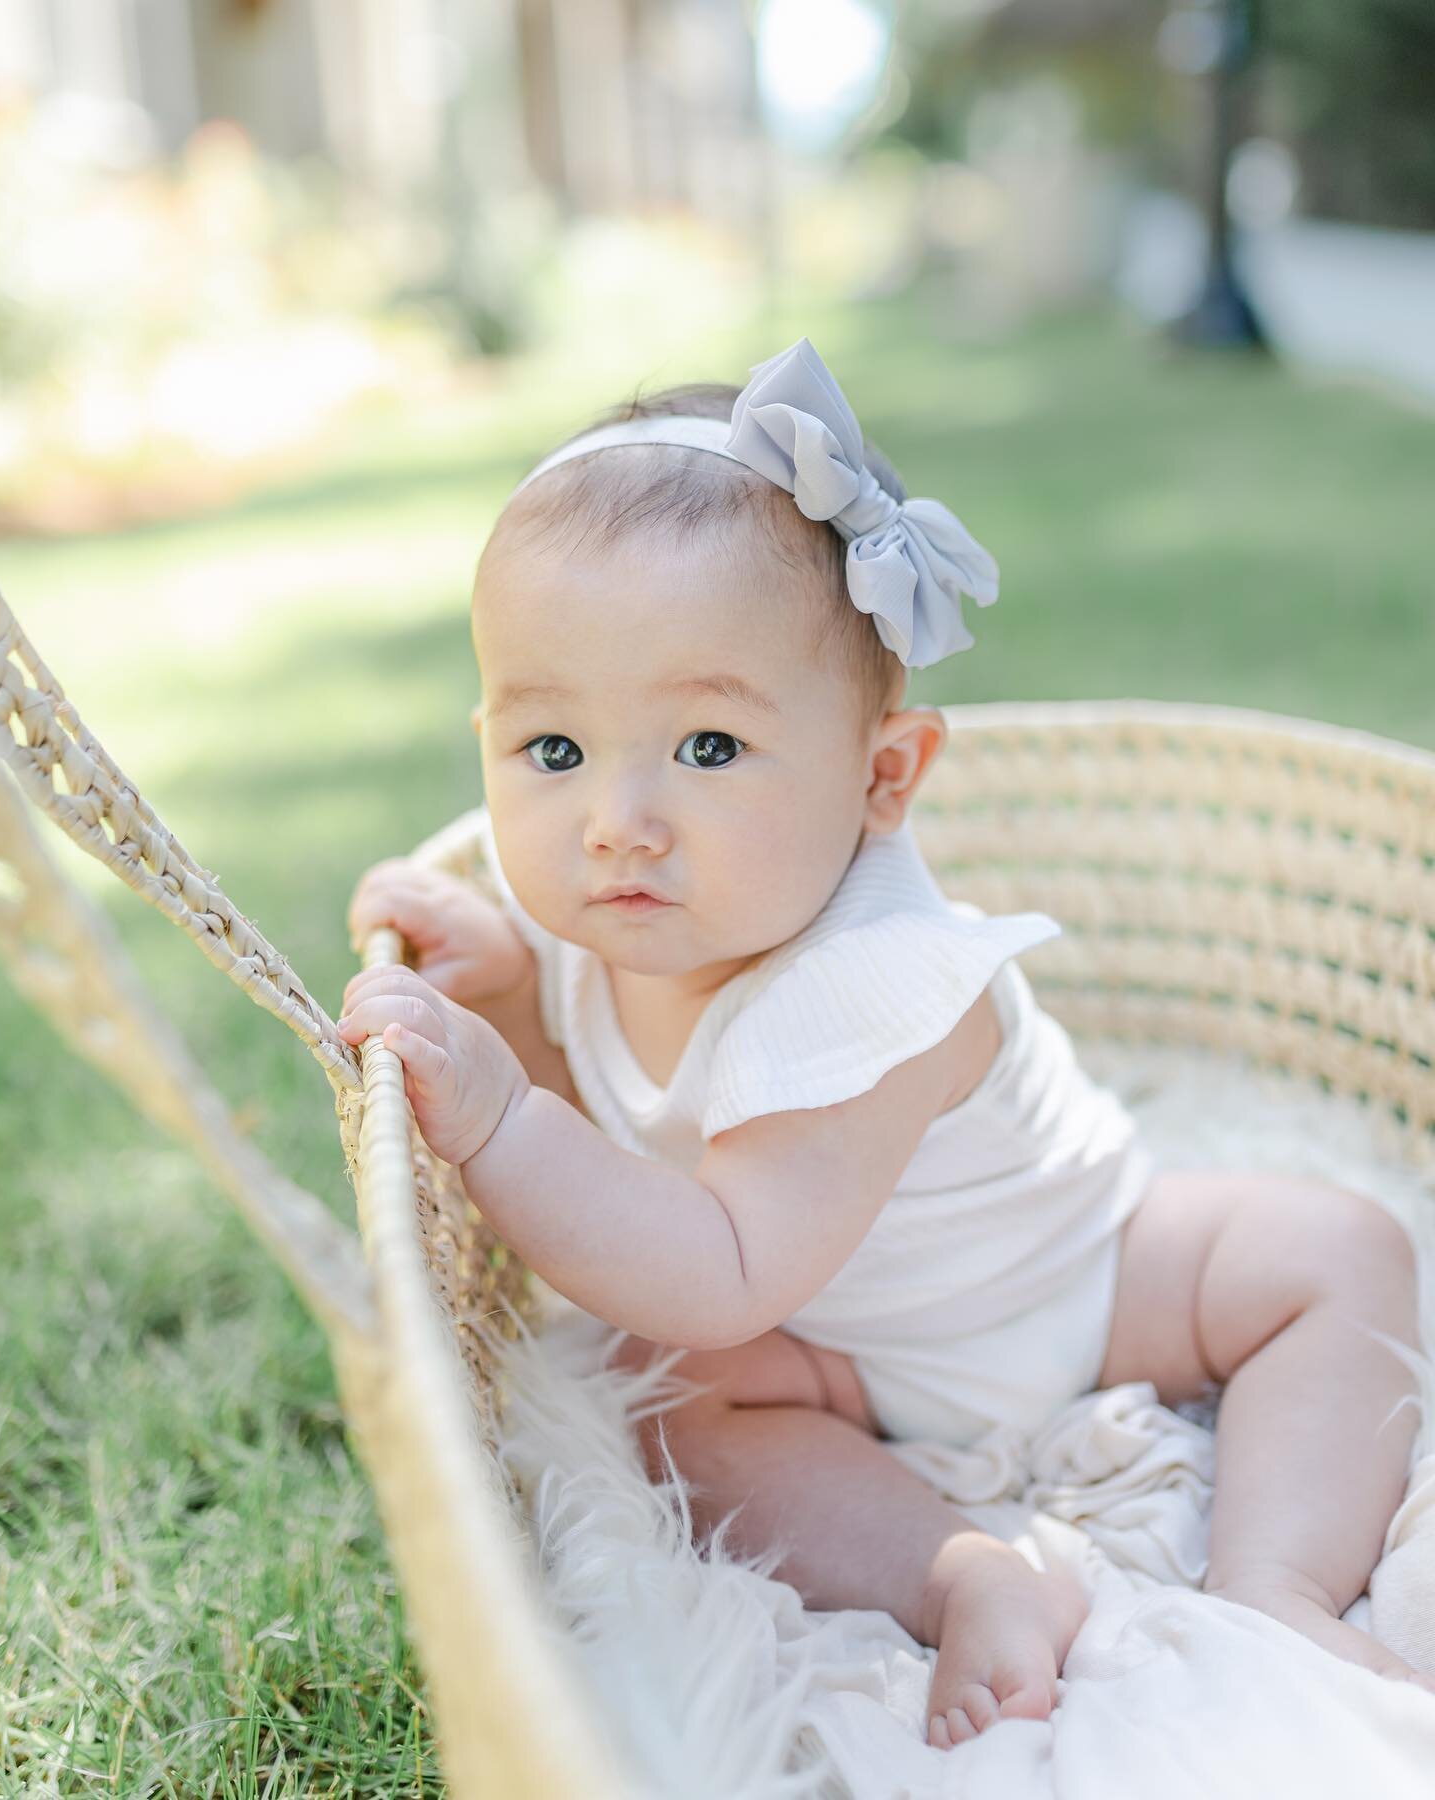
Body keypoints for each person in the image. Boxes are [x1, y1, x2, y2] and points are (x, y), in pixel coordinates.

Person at [338, 338, 1430, 1749]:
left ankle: (1277, 1582)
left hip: (1086, 1283)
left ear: (882, 779)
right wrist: (514, 1010)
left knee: (1335, 1251)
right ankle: (961, 1568)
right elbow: (628, 1179)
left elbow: (714, 1264)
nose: (615, 818)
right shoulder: (612, 913)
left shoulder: (881, 989)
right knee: (667, 1406)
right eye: (552, 751)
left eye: (709, 748)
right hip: (833, 1354)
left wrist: (495, 1116)